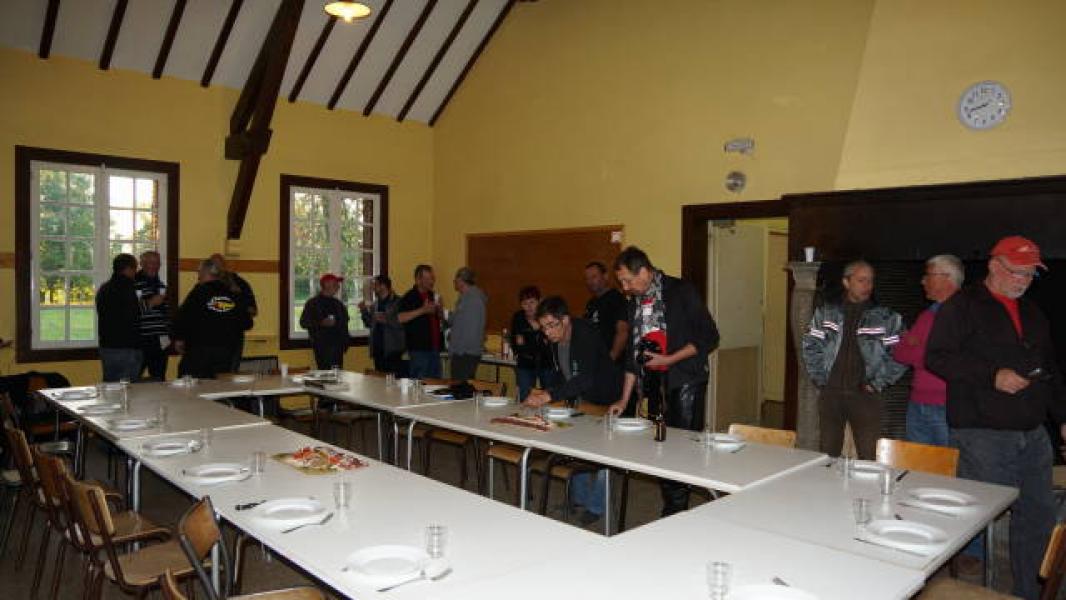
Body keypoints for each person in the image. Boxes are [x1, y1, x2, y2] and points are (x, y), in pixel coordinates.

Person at [927, 236, 1066, 600]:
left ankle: (1029, 593)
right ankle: (976, 587)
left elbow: (1050, 369)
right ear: (993, 265)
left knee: (1039, 516)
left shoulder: (1033, 313)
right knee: (987, 520)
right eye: (1017, 272)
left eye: (1030, 274)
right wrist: (992, 376)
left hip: (1032, 432)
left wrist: (1063, 417)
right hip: (983, 432)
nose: (1023, 280)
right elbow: (936, 357)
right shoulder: (962, 306)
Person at [607, 246, 720, 517]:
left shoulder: (681, 291)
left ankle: (675, 511)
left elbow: (709, 337)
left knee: (680, 449)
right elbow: (633, 355)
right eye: (621, 282)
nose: (624, 288)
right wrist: (624, 399)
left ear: (644, 272)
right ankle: (672, 505)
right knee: (660, 448)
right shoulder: (635, 301)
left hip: (686, 380)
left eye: (627, 280)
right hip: (655, 383)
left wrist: (669, 359)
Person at [525, 296, 623, 525]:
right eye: (543, 327)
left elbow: (585, 378)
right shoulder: (556, 339)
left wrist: (549, 396)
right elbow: (562, 374)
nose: (547, 332)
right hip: (583, 400)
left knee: (603, 456)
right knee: (576, 447)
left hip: (607, 398)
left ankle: (596, 506)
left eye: (552, 325)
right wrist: (547, 391)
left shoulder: (586, 334)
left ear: (566, 320)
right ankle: (578, 499)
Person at [802, 260, 906, 460]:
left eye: (870, 281)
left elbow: (901, 355)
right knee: (827, 456)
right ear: (846, 282)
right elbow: (810, 345)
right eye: (861, 280)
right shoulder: (826, 313)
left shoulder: (887, 318)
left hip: (866, 398)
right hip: (831, 395)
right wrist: (820, 379)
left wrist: (877, 383)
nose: (867, 286)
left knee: (868, 456)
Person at [892, 254, 963, 446]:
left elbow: (947, 359)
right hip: (918, 402)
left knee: (948, 463)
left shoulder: (964, 312)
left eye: (928, 275)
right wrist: (920, 349)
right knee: (917, 463)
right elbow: (900, 353)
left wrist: (917, 347)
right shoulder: (928, 314)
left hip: (948, 407)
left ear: (947, 278)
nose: (923, 281)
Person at [173, 259, 253, 378]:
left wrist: (179, 338)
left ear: (204, 272)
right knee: (219, 385)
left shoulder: (199, 292)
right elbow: (247, 323)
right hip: (226, 351)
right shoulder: (233, 294)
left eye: (199, 272)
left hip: (199, 350)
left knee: (190, 383)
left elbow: (183, 317)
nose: (198, 276)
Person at [96, 254, 144, 382]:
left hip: (107, 346)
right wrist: (149, 303)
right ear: (128, 269)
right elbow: (134, 314)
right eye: (134, 269)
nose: (135, 273)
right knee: (127, 389)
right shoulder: (129, 288)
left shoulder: (104, 288)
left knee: (111, 387)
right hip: (127, 347)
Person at [210, 253, 257, 371]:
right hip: (212, 335)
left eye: (219, 266)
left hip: (234, 335)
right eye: (214, 266)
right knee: (212, 373)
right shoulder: (206, 285)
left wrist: (237, 302)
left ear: (225, 266)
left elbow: (253, 310)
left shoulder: (240, 283)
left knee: (231, 372)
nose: (217, 269)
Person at [398, 265, 443, 379]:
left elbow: (439, 320)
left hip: (435, 348)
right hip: (419, 350)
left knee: (437, 384)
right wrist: (423, 310)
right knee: (419, 383)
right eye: (427, 279)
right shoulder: (409, 297)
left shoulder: (433, 295)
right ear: (418, 280)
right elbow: (400, 318)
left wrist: (440, 311)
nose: (431, 282)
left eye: (432, 278)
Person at [299, 273, 350, 370]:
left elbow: (345, 321)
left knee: (337, 375)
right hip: (322, 348)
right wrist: (321, 323)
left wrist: (345, 342)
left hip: (338, 348)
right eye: (335, 284)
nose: (338, 287)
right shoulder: (313, 303)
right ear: (327, 285)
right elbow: (304, 322)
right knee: (326, 375)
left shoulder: (338, 304)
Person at [511, 286, 554, 401]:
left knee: (550, 396)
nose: (529, 306)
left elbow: (549, 344)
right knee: (524, 397)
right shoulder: (518, 317)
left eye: (532, 302)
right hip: (525, 363)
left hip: (546, 363)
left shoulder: (546, 317)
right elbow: (517, 344)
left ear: (539, 301)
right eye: (525, 303)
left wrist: (537, 331)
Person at [134, 250, 171, 381]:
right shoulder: (134, 284)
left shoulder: (161, 285)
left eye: (157, 263)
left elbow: (166, 313)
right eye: (151, 263)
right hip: (141, 339)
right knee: (133, 378)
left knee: (159, 379)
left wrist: (169, 335)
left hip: (161, 340)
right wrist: (150, 303)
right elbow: (130, 312)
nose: (155, 266)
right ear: (142, 264)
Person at [584, 261, 629, 363]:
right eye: (587, 278)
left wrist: (611, 359)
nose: (590, 281)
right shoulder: (591, 303)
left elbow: (623, 331)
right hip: (596, 361)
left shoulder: (617, 299)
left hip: (614, 362)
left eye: (594, 277)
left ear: (605, 276)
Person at [359, 275, 405, 374]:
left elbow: (404, 323)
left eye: (375, 285)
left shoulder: (399, 302)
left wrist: (387, 320)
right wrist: (363, 311)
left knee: (393, 380)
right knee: (379, 380)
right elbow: (369, 324)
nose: (373, 288)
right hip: (378, 350)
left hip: (393, 350)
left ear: (383, 286)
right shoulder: (375, 304)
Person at [447, 267, 487, 381]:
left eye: (455, 279)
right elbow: (456, 321)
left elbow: (470, 329)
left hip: (465, 353)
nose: (454, 282)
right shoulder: (466, 298)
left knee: (461, 387)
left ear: (461, 280)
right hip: (464, 352)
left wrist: (458, 349)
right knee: (462, 386)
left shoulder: (472, 300)